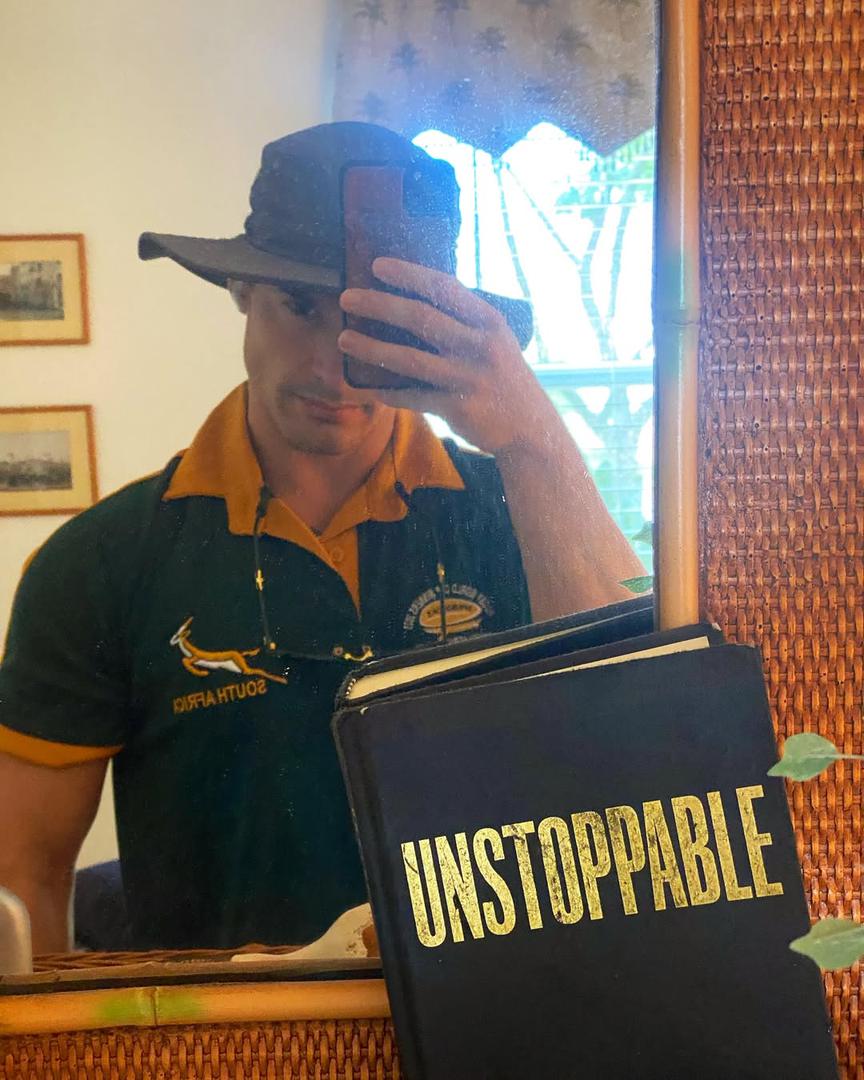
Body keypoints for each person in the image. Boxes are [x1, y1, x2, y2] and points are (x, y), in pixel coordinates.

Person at [0, 122, 643, 952]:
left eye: (379, 325)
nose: (334, 365)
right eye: (301, 308)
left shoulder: (517, 511)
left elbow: (636, 757)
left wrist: (533, 440)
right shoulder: (101, 561)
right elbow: (25, 874)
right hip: (226, 1023)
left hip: (489, 1008)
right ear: (241, 289)